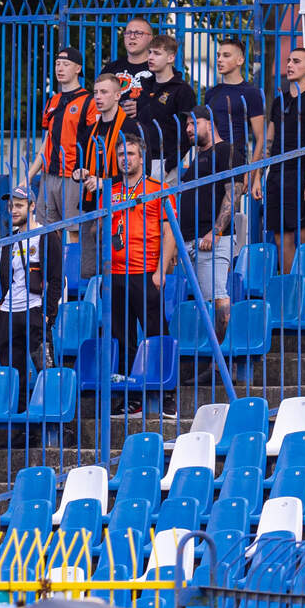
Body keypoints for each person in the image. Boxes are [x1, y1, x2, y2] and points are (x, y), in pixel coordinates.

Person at [108, 132, 175, 418]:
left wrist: (161, 270)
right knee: (122, 337)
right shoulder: (110, 191)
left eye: (131, 154)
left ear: (142, 156)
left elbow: (169, 231)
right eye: (121, 154)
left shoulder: (158, 189)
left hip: (146, 272)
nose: (126, 159)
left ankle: (166, 393)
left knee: (156, 332)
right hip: (115, 274)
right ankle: (131, 396)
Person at [159, 106, 242, 339]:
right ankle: (212, 350)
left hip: (211, 239)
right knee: (204, 299)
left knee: (215, 295)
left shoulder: (226, 150)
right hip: (190, 240)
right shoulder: (198, 157)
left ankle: (221, 354)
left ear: (210, 123)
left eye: (194, 123)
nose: (188, 129)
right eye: (187, 124)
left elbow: (234, 193)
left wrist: (215, 231)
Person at [255, 47, 305, 273]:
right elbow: (268, 141)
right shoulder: (279, 101)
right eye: (288, 60)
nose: (289, 65)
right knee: (280, 236)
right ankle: (289, 287)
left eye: (296, 61)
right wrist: (257, 177)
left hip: (301, 174)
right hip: (277, 175)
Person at [0, 185, 64, 412]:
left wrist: (48, 314)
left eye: (19, 205)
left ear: (32, 206)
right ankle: (19, 420)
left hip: (34, 311)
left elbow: (56, 279)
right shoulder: (9, 240)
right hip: (9, 314)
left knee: (46, 369)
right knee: (13, 374)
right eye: (11, 206)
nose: (13, 210)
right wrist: (1, 306)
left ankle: (54, 420)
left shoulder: (46, 236)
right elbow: (7, 278)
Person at [24, 46, 97, 239]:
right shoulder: (52, 101)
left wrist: (88, 171)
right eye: (57, 64)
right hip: (49, 175)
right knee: (46, 232)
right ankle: (53, 261)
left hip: (73, 175)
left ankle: (72, 262)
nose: (60, 68)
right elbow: (47, 142)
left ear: (78, 68)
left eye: (66, 64)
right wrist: (29, 176)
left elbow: (94, 142)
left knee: (74, 231)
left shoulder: (89, 101)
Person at [74, 73, 141, 278]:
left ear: (118, 96)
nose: (98, 97)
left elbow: (138, 170)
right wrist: (80, 173)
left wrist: (104, 183)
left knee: (116, 267)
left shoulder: (129, 127)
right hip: (91, 203)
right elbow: (79, 164)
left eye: (104, 92)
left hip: (120, 204)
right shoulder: (89, 130)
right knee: (88, 270)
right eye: (95, 92)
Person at [135, 34, 197, 184]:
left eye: (157, 53)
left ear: (171, 57)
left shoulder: (183, 91)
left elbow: (188, 132)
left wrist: (169, 165)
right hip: (140, 160)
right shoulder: (146, 87)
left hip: (163, 162)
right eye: (150, 52)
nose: (150, 57)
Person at [204, 38, 265, 190]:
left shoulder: (251, 93)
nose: (219, 59)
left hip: (234, 163)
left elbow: (261, 138)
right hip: (208, 162)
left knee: (228, 206)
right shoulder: (212, 93)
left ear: (240, 60)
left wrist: (252, 174)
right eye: (218, 55)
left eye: (226, 55)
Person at [105, 17, 156, 103]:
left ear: (150, 38)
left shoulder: (159, 70)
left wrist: (142, 107)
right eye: (128, 33)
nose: (132, 37)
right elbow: (99, 100)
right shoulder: (111, 69)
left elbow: (169, 102)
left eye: (138, 33)